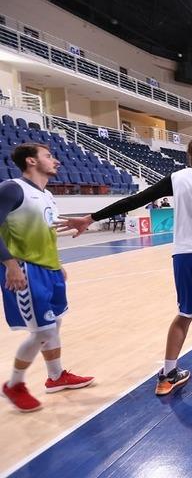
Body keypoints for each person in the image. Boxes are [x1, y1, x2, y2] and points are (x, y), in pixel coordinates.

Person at [58, 139, 192, 396]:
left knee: (184, 313)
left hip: (183, 256)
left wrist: (91, 218)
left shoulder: (176, 178)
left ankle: (168, 374)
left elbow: (136, 200)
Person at [0, 143, 94, 413]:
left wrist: (58, 263)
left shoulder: (47, 195)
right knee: (42, 331)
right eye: (48, 156)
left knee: (55, 324)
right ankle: (14, 384)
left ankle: (56, 377)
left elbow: (46, 233)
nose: (56, 161)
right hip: (25, 269)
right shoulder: (12, 188)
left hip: (49, 269)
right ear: (31, 161)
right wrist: (10, 264)